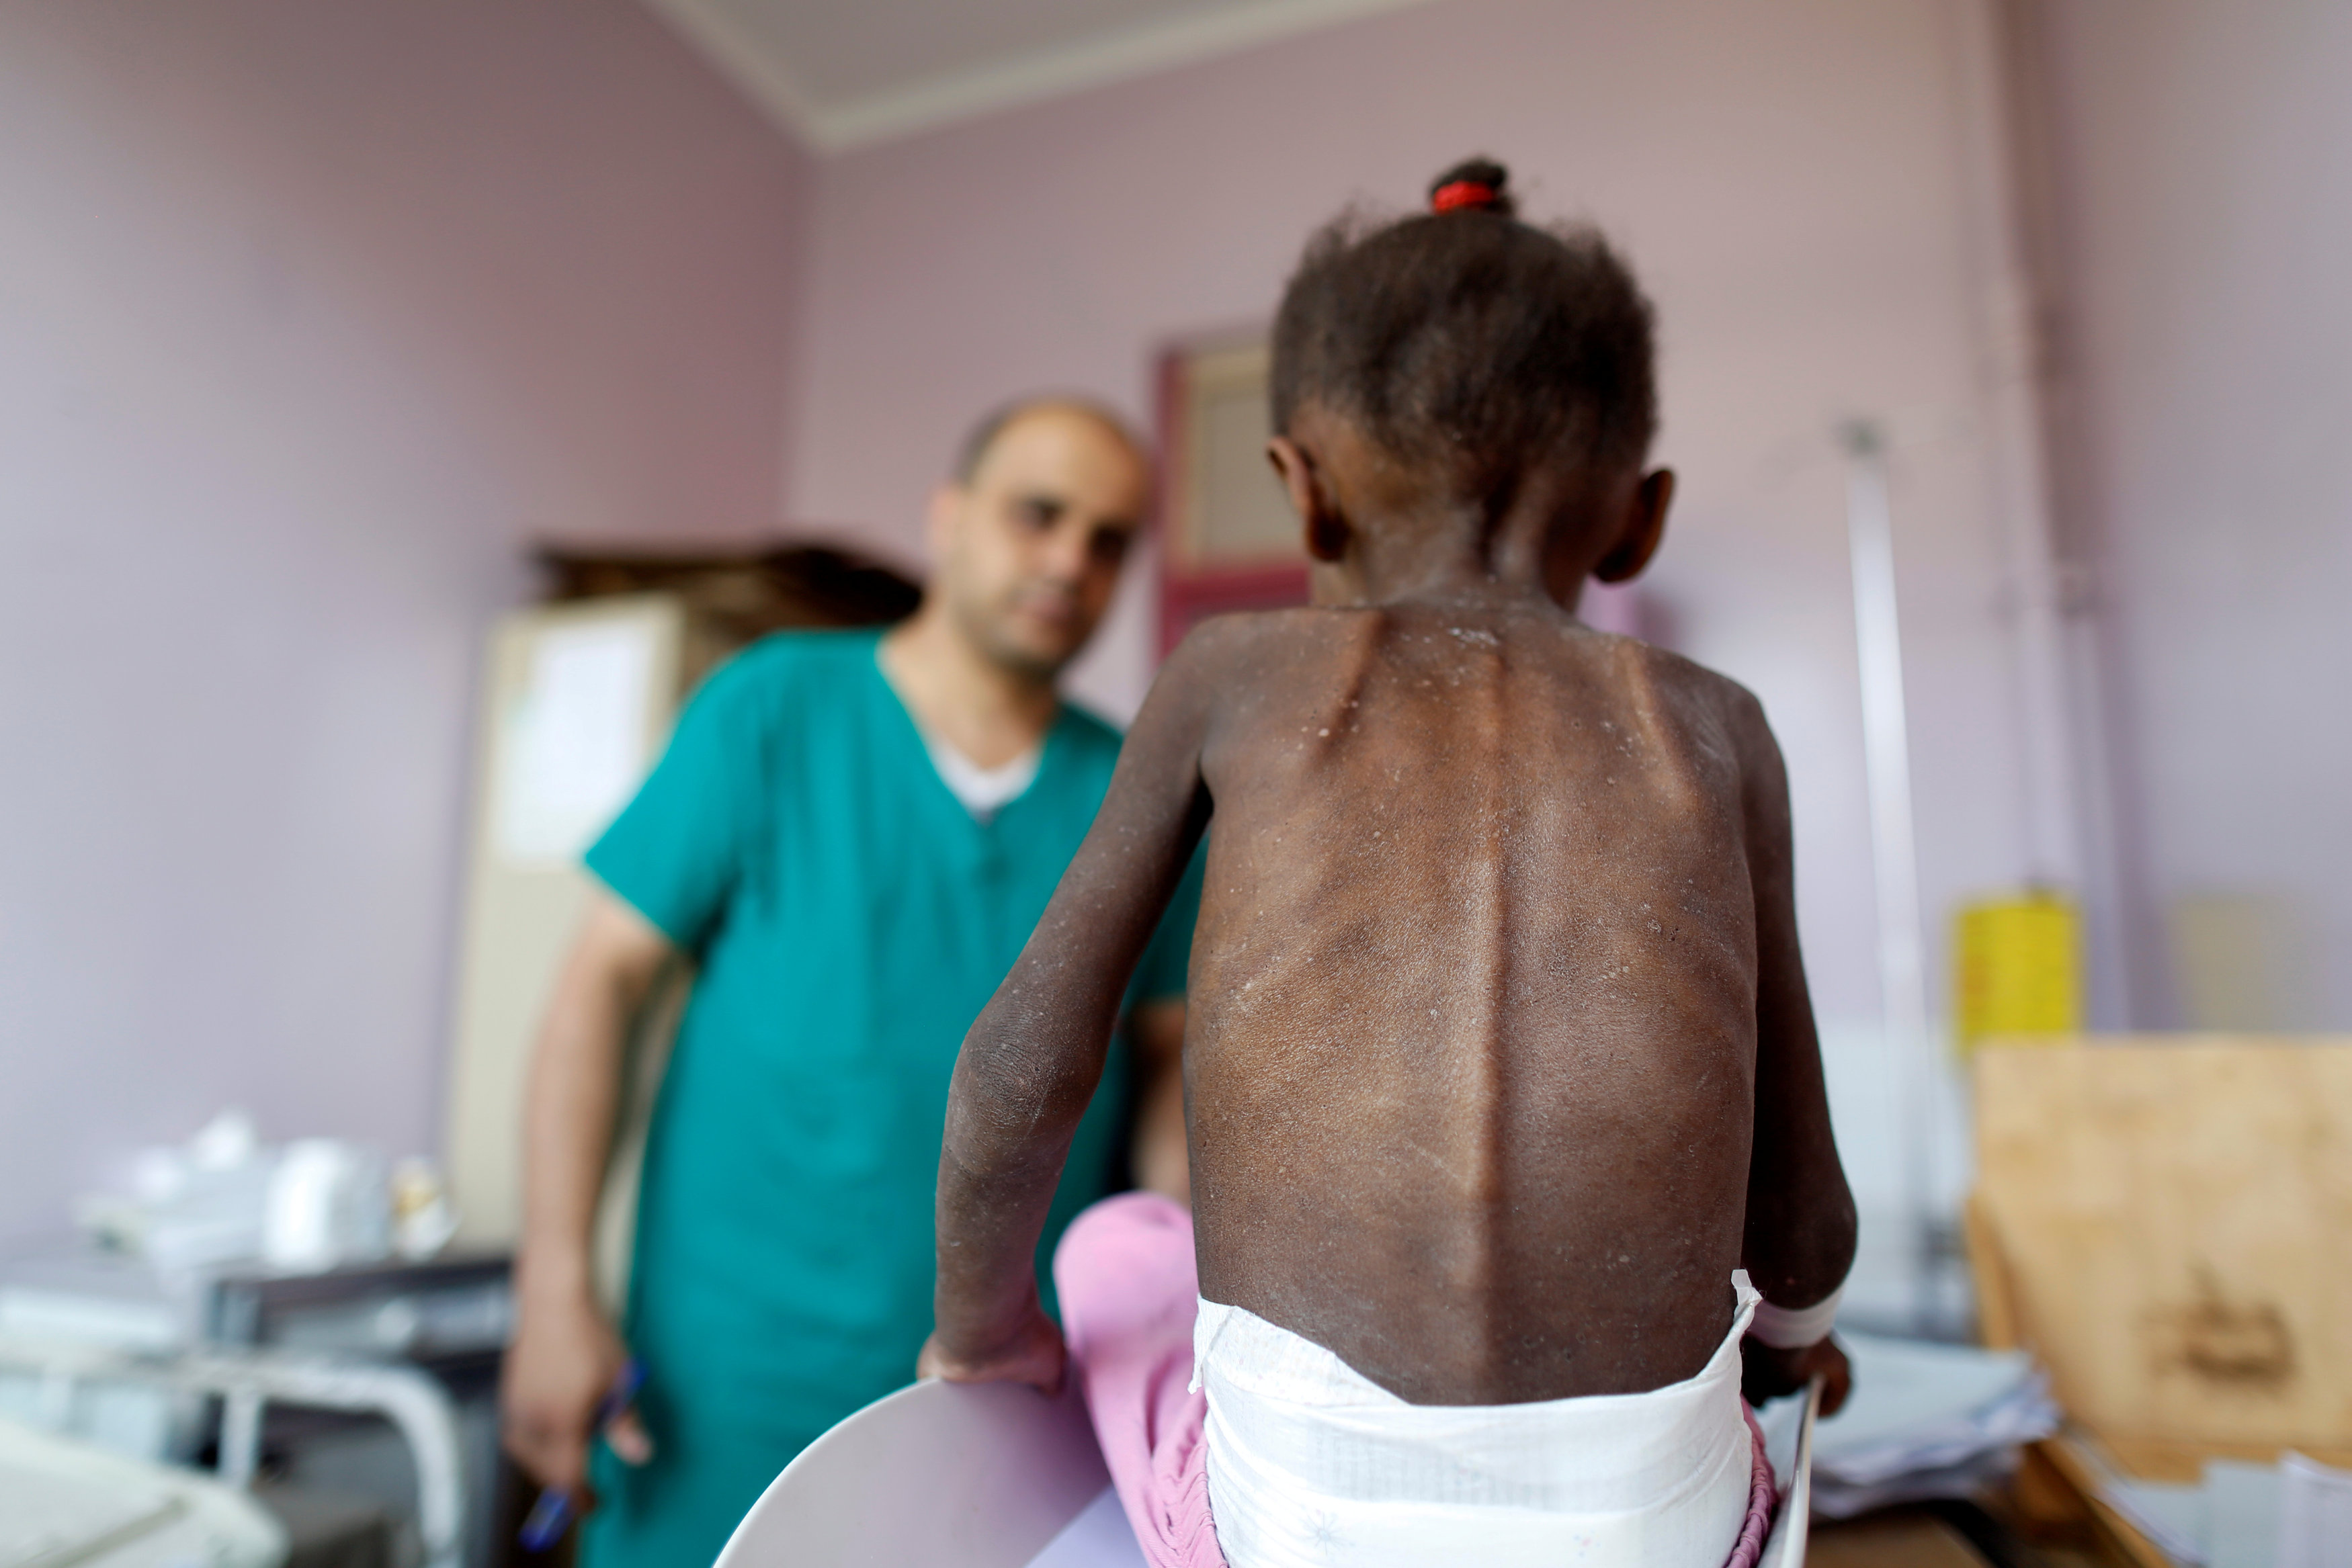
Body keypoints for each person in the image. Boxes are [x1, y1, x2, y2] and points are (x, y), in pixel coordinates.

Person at [921, 161, 1857, 1568]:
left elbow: (1016, 1076)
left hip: (1289, 1531)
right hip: (1661, 1535)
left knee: (1122, 1244)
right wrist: (1791, 1354)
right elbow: (1802, 1220)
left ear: (1303, 496)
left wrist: (983, 1338)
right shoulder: (1718, 727)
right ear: (1641, 515)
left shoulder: (1231, 676)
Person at [501, 396, 1203, 1567]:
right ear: (949, 517)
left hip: (997, 1417)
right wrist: (553, 1288)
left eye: (1108, 540)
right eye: (1038, 515)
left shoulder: (1142, 791)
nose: (1069, 562)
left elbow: (1172, 1066)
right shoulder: (774, 708)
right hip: (720, 1390)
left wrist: (1186, 1297)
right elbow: (600, 988)